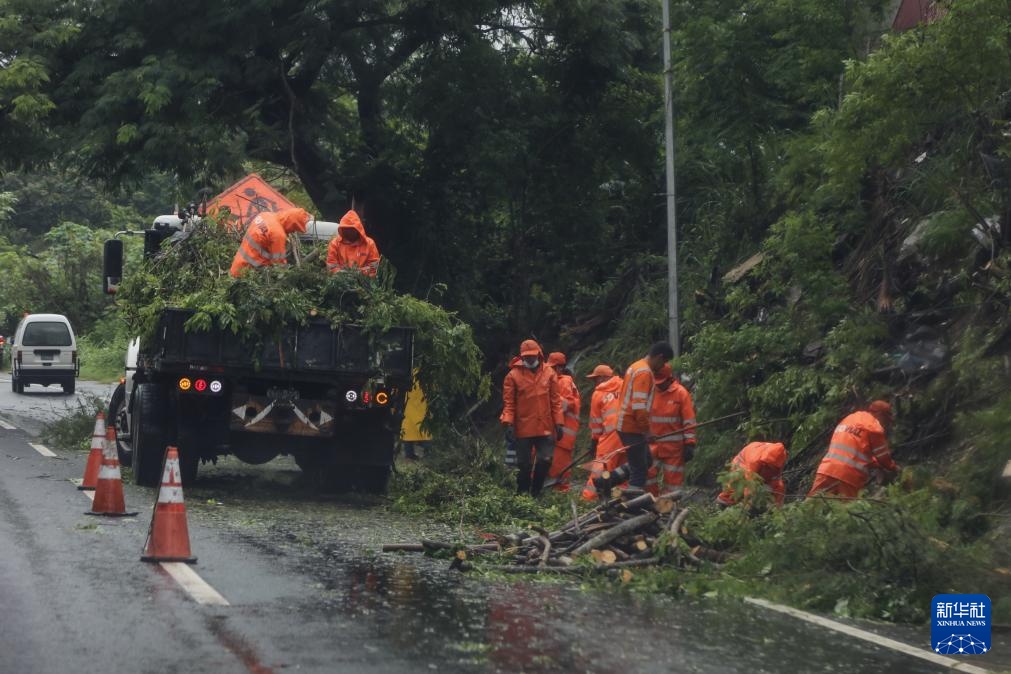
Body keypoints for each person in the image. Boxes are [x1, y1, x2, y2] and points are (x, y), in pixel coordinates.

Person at [500, 340, 563, 496]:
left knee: (545, 460)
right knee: (524, 465)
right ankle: (522, 493)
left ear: (539, 354)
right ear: (522, 356)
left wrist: (559, 423)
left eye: (532, 355)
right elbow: (509, 403)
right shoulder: (512, 376)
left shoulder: (549, 373)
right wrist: (509, 423)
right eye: (526, 356)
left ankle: (536, 492)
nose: (529, 358)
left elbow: (555, 401)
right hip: (523, 428)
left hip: (545, 426)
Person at [616, 341, 675, 496]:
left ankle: (608, 480)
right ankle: (632, 505)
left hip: (627, 425)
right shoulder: (644, 372)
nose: (663, 367)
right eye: (664, 362)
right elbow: (639, 407)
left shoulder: (636, 366)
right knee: (639, 470)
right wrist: (647, 431)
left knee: (646, 461)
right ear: (659, 357)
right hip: (632, 427)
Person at [808, 400, 899, 499]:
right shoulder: (874, 427)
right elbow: (883, 458)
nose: (886, 424)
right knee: (843, 512)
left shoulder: (850, 418)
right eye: (886, 420)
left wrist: (876, 464)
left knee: (811, 506)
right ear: (880, 414)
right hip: (849, 477)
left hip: (827, 470)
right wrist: (893, 468)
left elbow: (854, 453)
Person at [645, 364, 697, 496]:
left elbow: (689, 421)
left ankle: (668, 508)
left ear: (670, 379)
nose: (659, 385)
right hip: (652, 445)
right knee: (648, 476)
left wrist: (690, 443)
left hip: (674, 449)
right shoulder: (650, 392)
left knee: (673, 484)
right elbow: (642, 415)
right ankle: (650, 503)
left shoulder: (681, 394)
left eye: (661, 382)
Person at [580, 364, 623, 501]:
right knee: (623, 469)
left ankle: (588, 499)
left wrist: (595, 441)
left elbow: (596, 423)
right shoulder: (625, 385)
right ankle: (623, 498)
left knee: (600, 467)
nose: (594, 382)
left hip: (610, 437)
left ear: (603, 377)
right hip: (629, 435)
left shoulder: (598, 394)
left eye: (596, 379)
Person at [229, 207, 310, 277]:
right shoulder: (278, 235)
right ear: (292, 224)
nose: (293, 231)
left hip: (237, 266)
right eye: (294, 229)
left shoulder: (265, 215)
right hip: (247, 274)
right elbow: (279, 265)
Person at [545, 352, 580, 491]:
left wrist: (548, 399)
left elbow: (567, 404)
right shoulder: (552, 381)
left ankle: (561, 497)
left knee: (559, 470)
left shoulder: (564, 381)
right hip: (554, 434)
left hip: (563, 435)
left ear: (560, 368)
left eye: (553, 368)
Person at [716, 441, 788, 507]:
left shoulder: (780, 456)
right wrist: (750, 504)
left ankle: (775, 510)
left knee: (779, 487)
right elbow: (749, 483)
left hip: (761, 466)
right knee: (738, 486)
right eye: (769, 464)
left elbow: (776, 480)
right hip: (741, 464)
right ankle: (723, 503)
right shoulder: (754, 460)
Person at [326, 209, 381, 276]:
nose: (348, 232)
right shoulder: (335, 244)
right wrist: (343, 274)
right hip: (341, 281)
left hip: (365, 282)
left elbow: (375, 267)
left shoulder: (369, 243)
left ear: (357, 229)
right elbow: (331, 266)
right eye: (345, 229)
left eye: (350, 229)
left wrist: (360, 273)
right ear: (342, 229)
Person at [400, 371, 431, 460]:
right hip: (421, 407)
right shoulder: (425, 373)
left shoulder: (405, 373)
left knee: (408, 432)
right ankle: (428, 454)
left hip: (408, 407)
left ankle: (409, 455)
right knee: (425, 432)